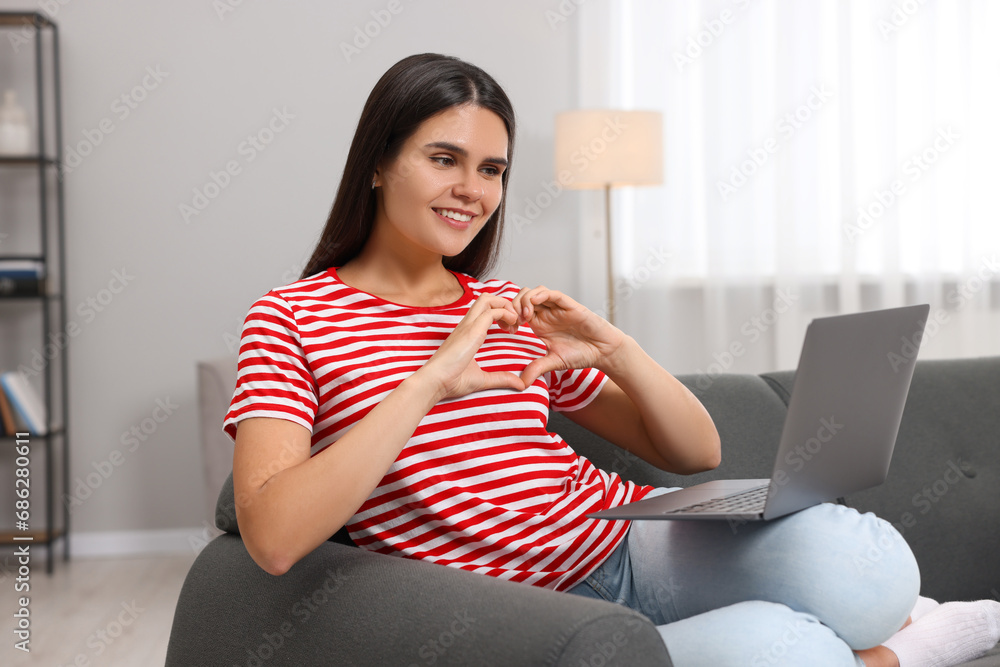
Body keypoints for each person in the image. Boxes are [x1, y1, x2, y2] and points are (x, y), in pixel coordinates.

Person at [224, 53, 1000, 666]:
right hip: (528, 612)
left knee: (871, 566)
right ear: (378, 163)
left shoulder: (506, 307)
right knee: (787, 648)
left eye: (492, 169)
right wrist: (431, 377)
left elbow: (696, 451)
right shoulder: (291, 317)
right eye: (444, 158)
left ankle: (867, 620)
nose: (472, 190)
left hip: (623, 538)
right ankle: (893, 649)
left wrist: (618, 350)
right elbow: (275, 535)